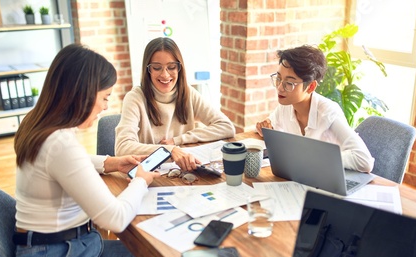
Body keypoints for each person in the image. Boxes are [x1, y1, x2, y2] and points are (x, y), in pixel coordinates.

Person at [13, 44, 194, 257]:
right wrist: (141, 180)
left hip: (59, 255)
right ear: (82, 96)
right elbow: (115, 219)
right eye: (104, 98)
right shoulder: (60, 143)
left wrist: (110, 163)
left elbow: (63, 163)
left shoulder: (40, 127)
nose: (106, 107)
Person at [115, 37, 235, 171]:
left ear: (179, 68)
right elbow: (122, 147)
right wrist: (169, 150)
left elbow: (226, 127)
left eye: (171, 67)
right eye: (157, 68)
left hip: (181, 171)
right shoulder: (135, 98)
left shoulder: (187, 92)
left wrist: (178, 140)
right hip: (147, 173)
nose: (165, 75)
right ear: (148, 70)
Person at [256, 44, 375, 173]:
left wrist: (317, 158)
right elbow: (272, 128)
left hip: (331, 179)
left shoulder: (328, 113)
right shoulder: (286, 105)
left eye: (289, 83)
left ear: (311, 87)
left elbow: (364, 160)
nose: (279, 87)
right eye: (278, 78)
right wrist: (265, 128)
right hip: (302, 176)